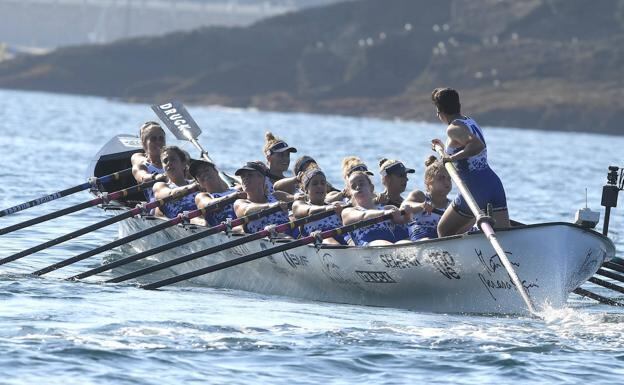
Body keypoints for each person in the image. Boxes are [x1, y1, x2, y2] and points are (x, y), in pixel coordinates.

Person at [430, 87, 510, 236]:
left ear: (440, 111)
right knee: (504, 235)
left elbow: (477, 145)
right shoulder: (469, 121)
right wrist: (442, 148)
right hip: (493, 184)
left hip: (475, 187)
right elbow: (464, 145)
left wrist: (451, 158)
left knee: (443, 230)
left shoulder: (453, 128)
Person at [341, 170, 410, 246]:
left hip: (391, 243)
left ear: (371, 188)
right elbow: (364, 215)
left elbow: (402, 221)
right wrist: (383, 213)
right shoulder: (347, 212)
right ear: (350, 193)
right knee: (383, 244)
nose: (358, 187)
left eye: (361, 184)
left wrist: (407, 214)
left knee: (406, 243)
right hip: (368, 246)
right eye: (353, 186)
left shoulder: (388, 208)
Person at [233, 161, 291, 236]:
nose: (245, 178)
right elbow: (247, 210)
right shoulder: (240, 203)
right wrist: (270, 206)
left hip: (287, 239)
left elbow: (296, 200)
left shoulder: (278, 196)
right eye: (243, 176)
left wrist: (299, 197)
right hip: (262, 242)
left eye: (249, 175)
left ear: (262, 178)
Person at [401, 156, 452, 241]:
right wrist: (421, 205)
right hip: (421, 237)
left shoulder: (452, 205)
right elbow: (404, 206)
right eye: (441, 178)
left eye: (449, 178)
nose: (446, 182)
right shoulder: (420, 196)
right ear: (428, 182)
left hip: (441, 238)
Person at [292, 168, 347, 245]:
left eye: (323, 183)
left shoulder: (336, 205)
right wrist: (326, 208)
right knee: (328, 239)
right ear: (306, 189)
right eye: (315, 184)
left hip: (343, 237)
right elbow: (309, 211)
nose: (319, 186)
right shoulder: (298, 205)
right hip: (320, 239)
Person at [188, 159, 244, 227]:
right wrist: (234, 196)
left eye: (206, 170)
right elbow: (207, 205)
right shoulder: (202, 196)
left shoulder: (238, 189)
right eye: (199, 174)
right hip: (225, 232)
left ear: (216, 171)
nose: (203, 174)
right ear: (199, 183)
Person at [152, 146, 198, 218]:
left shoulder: (195, 183)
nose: (169, 163)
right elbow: (170, 193)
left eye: (173, 159)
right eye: (165, 161)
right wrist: (194, 187)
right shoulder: (159, 186)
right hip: (177, 224)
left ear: (183, 164)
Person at [377, 158, 415, 240]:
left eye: (406, 175)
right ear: (387, 178)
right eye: (401, 175)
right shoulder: (375, 202)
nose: (406, 179)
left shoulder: (406, 204)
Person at [273, 155, 341, 200]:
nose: (311, 172)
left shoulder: (323, 186)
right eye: (307, 170)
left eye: (313, 168)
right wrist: (296, 179)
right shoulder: (294, 188)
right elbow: (276, 187)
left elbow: (333, 195)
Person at [131, 121, 166, 201]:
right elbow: (143, 177)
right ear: (144, 143)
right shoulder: (141, 165)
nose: (158, 142)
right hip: (157, 205)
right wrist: (155, 176)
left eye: (161, 138)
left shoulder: (174, 162)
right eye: (153, 139)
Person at [263, 132, 298, 201]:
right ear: (268, 157)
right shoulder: (261, 179)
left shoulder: (293, 184)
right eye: (281, 155)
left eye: (287, 155)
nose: (285, 159)